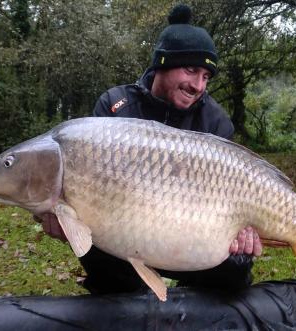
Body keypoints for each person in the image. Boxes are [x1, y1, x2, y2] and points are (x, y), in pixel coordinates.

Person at [36, 4, 262, 295]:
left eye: (206, 76)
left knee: (237, 267)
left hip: (194, 239)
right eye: (191, 70)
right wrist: (65, 219)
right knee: (101, 253)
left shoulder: (215, 120)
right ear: (161, 65)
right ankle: (124, 304)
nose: (198, 86)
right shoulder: (115, 106)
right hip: (126, 236)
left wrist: (240, 240)